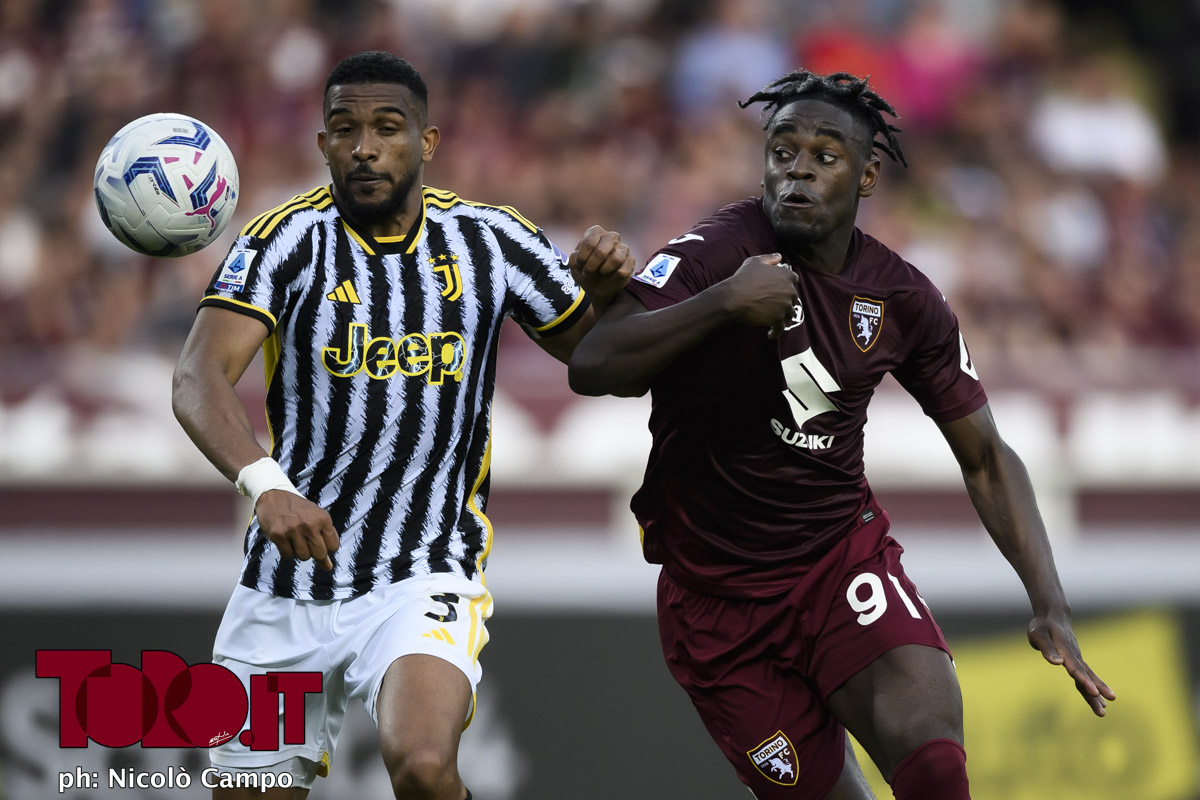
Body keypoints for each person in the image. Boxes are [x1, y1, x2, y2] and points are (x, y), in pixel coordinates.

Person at [568, 69, 1115, 800]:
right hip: (717, 605)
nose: (797, 170)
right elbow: (594, 364)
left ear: (866, 175)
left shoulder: (903, 297)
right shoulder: (717, 250)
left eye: (824, 156)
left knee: (933, 758)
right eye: (782, 152)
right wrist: (723, 303)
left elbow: (986, 456)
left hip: (838, 563)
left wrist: (1050, 602)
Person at [171, 50, 634, 800]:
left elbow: (606, 361)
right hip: (287, 582)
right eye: (344, 129)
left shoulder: (491, 240)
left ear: (427, 141)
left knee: (421, 762)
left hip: (423, 568)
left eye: (387, 128)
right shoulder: (283, 240)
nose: (364, 147)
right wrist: (266, 485)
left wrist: (608, 297)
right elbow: (198, 377)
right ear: (322, 144)